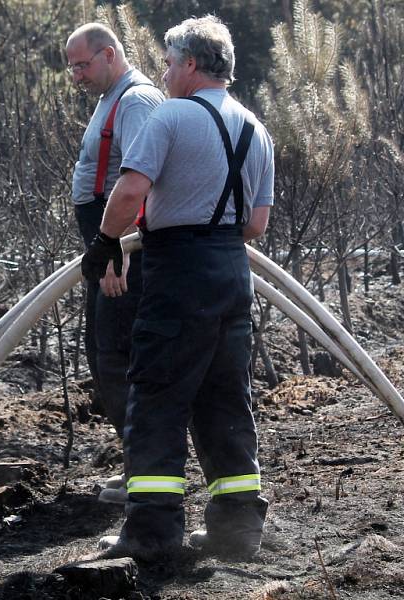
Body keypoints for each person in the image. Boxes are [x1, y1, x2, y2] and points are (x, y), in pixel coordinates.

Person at [81, 15, 274, 562]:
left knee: (159, 397)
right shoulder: (254, 127)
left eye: (168, 62)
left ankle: (151, 533)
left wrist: (105, 243)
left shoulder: (170, 118)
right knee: (225, 399)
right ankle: (237, 532)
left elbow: (129, 190)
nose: (163, 73)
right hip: (231, 274)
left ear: (191, 64)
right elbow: (256, 225)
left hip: (178, 273)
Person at [66, 24, 163, 503]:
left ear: (109, 54)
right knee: (102, 354)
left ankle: (146, 475)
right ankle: (135, 467)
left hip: (121, 255)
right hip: (107, 249)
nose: (77, 76)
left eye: (83, 65)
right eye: (73, 68)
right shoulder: (112, 99)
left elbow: (142, 181)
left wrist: (116, 253)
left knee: (118, 357)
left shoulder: (137, 101)